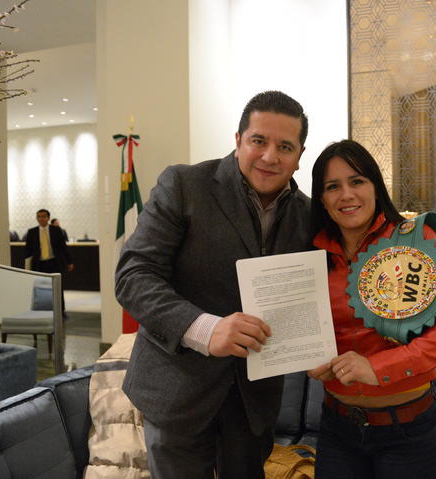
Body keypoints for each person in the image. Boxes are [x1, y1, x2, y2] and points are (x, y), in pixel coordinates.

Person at [115, 91, 311, 479]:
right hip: (178, 392)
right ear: (238, 140)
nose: (270, 156)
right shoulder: (185, 185)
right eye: (259, 141)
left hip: (253, 403)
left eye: (285, 147)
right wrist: (206, 329)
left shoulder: (308, 214)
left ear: (300, 155)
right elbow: (134, 275)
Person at [307, 140, 436, 478]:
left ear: (375, 186)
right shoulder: (311, 256)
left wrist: (380, 367)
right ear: (321, 198)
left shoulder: (415, 239)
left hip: (407, 431)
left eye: (357, 181)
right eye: (332, 186)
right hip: (336, 427)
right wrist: (307, 358)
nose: (346, 194)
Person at [24, 209, 73, 314]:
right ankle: (42, 310)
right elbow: (27, 250)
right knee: (40, 287)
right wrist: (26, 266)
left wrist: (69, 262)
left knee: (57, 287)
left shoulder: (56, 230)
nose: (41, 219)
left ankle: (60, 310)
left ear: (48, 218)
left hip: (54, 262)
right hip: (39, 264)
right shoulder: (32, 232)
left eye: (44, 216)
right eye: (39, 216)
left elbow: (63, 247)